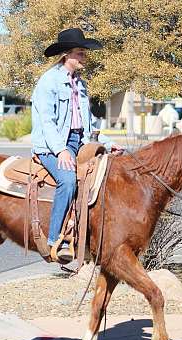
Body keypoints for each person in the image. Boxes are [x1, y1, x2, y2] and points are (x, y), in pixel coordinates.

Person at [31, 27, 122, 262]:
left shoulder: (80, 85)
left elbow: (88, 124)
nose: (84, 58)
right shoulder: (48, 82)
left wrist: (109, 144)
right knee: (68, 180)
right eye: (80, 53)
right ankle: (54, 240)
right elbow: (47, 121)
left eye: (84, 53)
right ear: (67, 55)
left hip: (78, 141)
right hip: (51, 145)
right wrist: (60, 150)